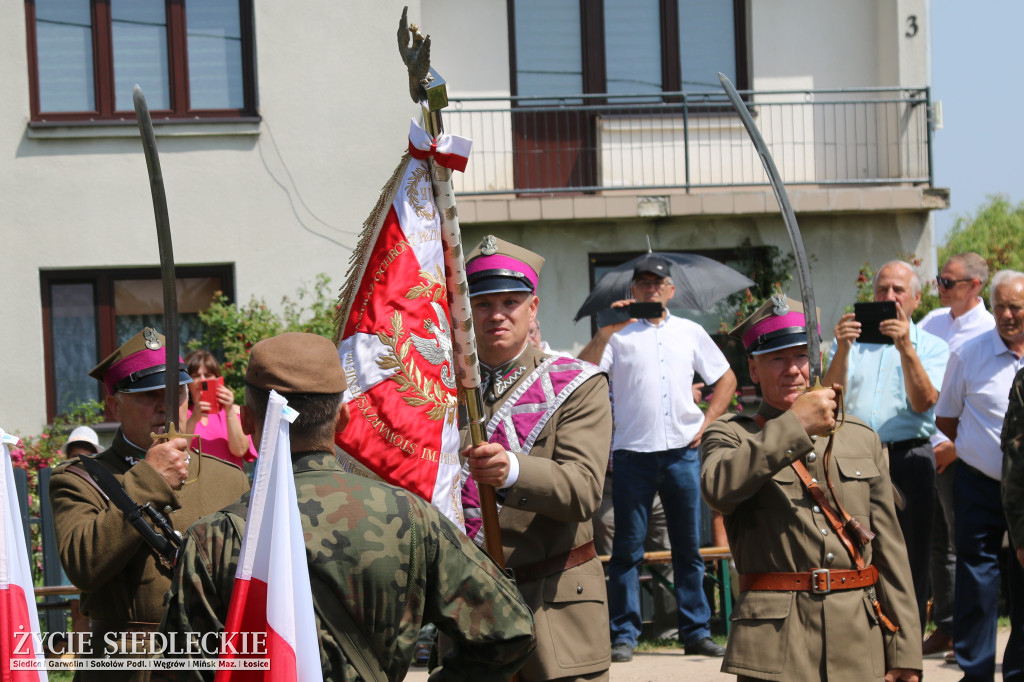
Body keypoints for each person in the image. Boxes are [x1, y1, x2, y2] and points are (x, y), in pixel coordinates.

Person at [160, 332, 536, 681]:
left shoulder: (213, 538)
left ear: (246, 420)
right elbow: (511, 631)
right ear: (342, 418)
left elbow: (182, 669)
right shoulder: (412, 516)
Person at [701, 294, 922, 681]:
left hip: (859, 635)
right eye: (777, 359)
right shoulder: (730, 435)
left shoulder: (859, 436)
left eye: (801, 356)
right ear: (753, 369)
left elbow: (888, 550)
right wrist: (795, 425)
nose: (793, 370)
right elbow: (719, 489)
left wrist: (905, 649)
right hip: (776, 646)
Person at [49, 328, 250, 681]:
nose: (165, 405)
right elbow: (84, 565)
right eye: (148, 395)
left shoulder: (229, 479)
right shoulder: (80, 478)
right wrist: (149, 480)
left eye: (175, 393)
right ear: (114, 406)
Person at [463, 235, 613, 681]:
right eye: (483, 302)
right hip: (470, 612)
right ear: (464, 311)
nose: (496, 314)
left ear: (533, 308)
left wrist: (511, 470)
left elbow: (583, 491)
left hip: (554, 608)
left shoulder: (579, 385)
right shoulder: (435, 391)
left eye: (511, 301)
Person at [578, 253, 736, 662]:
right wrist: (608, 330)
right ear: (632, 291)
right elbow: (582, 372)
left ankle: (696, 631)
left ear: (671, 290)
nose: (650, 289)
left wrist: (709, 421)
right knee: (627, 549)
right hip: (633, 454)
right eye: (643, 283)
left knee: (688, 546)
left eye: (657, 283)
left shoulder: (690, 331)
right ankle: (624, 634)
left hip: (682, 450)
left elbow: (727, 377)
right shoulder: (618, 335)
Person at [822, 260, 949, 627]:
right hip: (853, 457)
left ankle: (909, 645)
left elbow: (925, 402)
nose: (889, 297)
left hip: (908, 457)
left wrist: (906, 348)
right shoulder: (852, 343)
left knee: (911, 554)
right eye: (882, 290)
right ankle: (864, 636)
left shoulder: (932, 345)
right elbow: (830, 396)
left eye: (898, 291)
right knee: (855, 551)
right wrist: (843, 349)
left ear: (916, 299)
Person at [934, 270, 1024, 681]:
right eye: (1001, 305)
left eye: (1016, 307)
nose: (1007, 315)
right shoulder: (969, 354)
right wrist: (981, 451)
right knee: (977, 579)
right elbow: (948, 419)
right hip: (979, 484)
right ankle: (976, 671)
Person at [916, 252, 994, 656]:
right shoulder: (930, 323)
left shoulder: (991, 331)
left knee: (966, 548)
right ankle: (945, 625)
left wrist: (953, 448)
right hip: (927, 446)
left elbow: (987, 405)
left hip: (963, 456)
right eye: (939, 281)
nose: (940, 288)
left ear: (975, 285)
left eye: (948, 282)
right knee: (934, 544)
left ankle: (967, 634)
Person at [182, 349, 256, 468]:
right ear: (187, 383)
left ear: (218, 379)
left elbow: (240, 450)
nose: (202, 380)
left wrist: (229, 411)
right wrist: (194, 419)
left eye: (208, 375)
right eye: (195, 376)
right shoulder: (181, 413)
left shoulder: (233, 412)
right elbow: (180, 452)